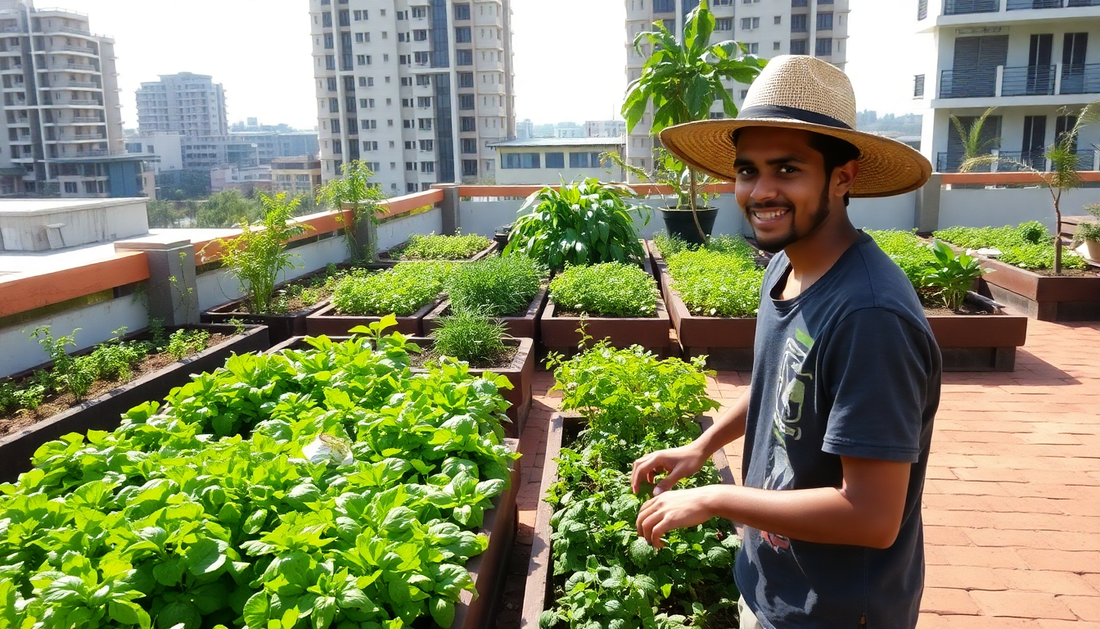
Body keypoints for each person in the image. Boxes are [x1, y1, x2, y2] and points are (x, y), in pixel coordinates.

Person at [630, 55, 941, 629]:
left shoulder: (870, 316)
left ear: (842, 178)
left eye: (788, 169)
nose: (760, 191)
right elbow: (781, 382)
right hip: (778, 581)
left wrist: (717, 499)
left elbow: (871, 515)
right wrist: (704, 447)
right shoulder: (785, 267)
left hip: (837, 608)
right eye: (747, 170)